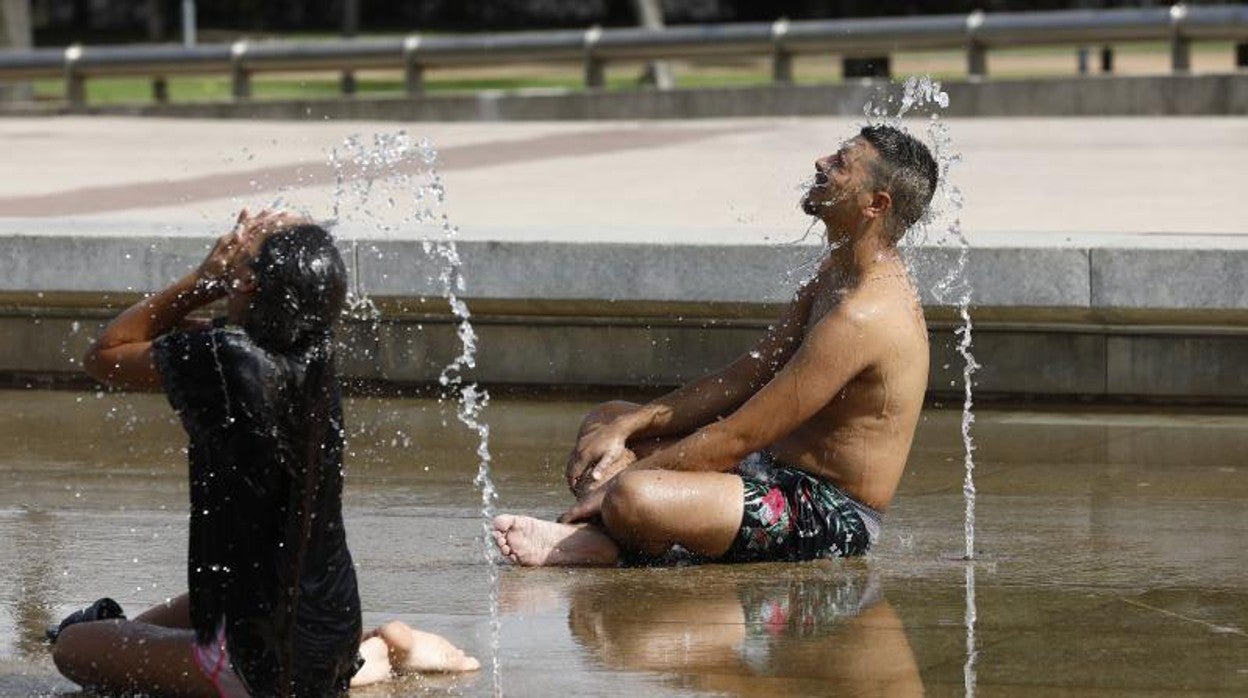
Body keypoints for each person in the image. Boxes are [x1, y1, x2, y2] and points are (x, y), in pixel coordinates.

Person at [51, 211, 477, 697]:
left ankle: (367, 655)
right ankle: (379, 650)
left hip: (259, 667)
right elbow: (178, 335)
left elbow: (105, 353)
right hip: (331, 632)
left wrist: (202, 280)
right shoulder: (311, 350)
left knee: (74, 645)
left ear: (248, 282)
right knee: (204, 608)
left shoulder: (222, 361)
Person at [493, 124, 938, 566]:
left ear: (875, 205)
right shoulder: (836, 273)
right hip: (768, 470)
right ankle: (611, 537)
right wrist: (630, 427)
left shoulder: (863, 316)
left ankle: (604, 537)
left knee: (634, 495)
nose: (821, 163)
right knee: (606, 421)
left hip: (826, 513)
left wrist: (615, 487)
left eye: (841, 164)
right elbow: (743, 376)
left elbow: (739, 435)